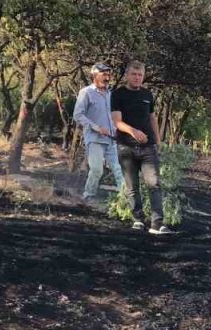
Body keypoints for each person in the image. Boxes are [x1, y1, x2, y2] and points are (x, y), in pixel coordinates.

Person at [111, 60, 179, 234]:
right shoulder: (118, 95)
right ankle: (138, 219)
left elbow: (152, 118)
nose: (136, 78)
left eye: (140, 75)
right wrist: (133, 131)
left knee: (154, 183)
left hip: (148, 147)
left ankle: (157, 223)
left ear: (143, 76)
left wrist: (157, 141)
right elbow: (117, 122)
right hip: (126, 147)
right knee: (132, 186)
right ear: (127, 75)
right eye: (133, 74)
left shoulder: (148, 94)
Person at [71, 62, 125, 205]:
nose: (107, 77)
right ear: (94, 75)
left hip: (111, 139)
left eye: (108, 74)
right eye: (104, 74)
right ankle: (88, 195)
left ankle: (127, 199)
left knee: (118, 170)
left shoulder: (111, 94)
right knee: (96, 170)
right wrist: (96, 127)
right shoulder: (86, 92)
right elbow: (78, 115)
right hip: (95, 139)